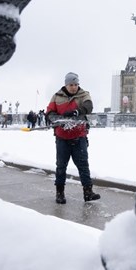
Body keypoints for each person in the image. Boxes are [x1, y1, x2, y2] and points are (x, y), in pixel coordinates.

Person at [46, 72, 99, 204]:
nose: (74, 87)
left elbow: (88, 106)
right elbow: (49, 112)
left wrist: (77, 112)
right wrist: (58, 120)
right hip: (62, 138)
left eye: (76, 84)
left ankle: (88, 192)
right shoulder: (56, 97)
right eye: (71, 85)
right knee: (61, 166)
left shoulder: (83, 94)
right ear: (66, 85)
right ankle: (60, 193)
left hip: (79, 137)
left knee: (83, 165)